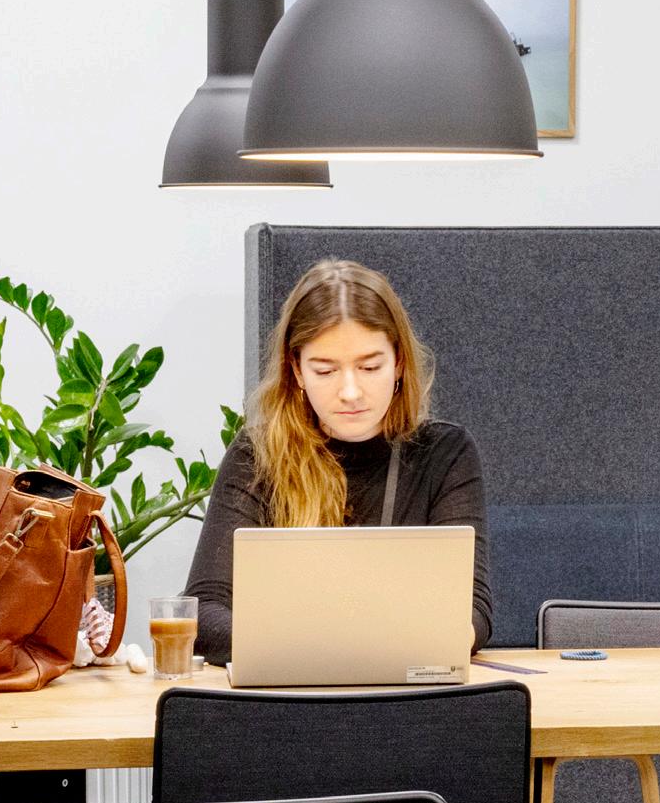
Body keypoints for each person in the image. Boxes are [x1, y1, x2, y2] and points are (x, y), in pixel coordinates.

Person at [186, 258, 492, 665]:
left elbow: (472, 612)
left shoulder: (445, 453)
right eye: (326, 370)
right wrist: (334, 650)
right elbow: (204, 612)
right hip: (290, 691)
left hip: (405, 688)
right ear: (296, 370)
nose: (350, 391)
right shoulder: (256, 454)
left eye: (370, 367)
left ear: (399, 363)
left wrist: (326, 644)